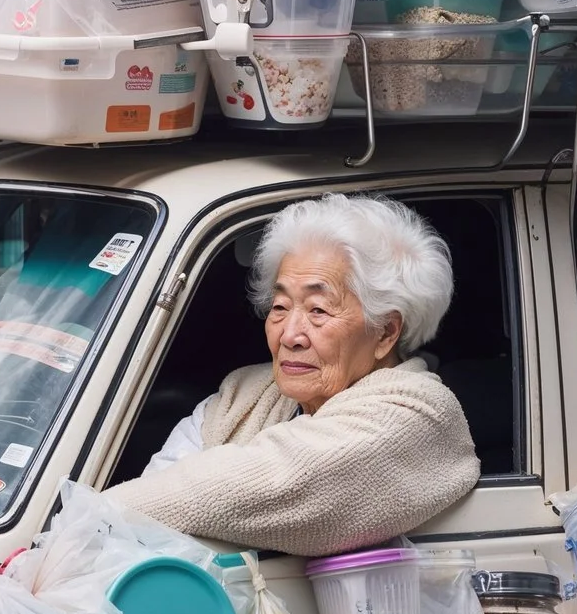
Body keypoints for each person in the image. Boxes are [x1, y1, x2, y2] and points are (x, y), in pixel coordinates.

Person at [103, 194, 481, 557]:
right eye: (281, 306)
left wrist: (90, 516)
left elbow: (275, 480)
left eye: (318, 310)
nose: (289, 334)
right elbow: (154, 502)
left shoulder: (415, 414)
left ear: (385, 332)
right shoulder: (242, 397)